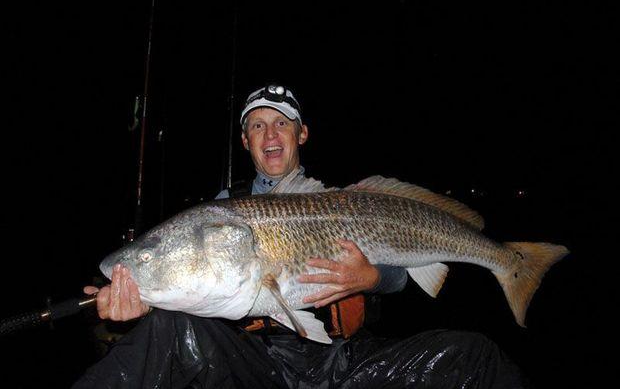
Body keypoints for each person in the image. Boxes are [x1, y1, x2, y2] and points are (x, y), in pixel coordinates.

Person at [75, 84, 530, 388]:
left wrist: (372, 278)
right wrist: (140, 295)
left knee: (474, 355)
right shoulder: (217, 212)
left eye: (281, 123)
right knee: (168, 330)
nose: (269, 134)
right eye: (257, 126)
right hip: (254, 363)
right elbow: (197, 281)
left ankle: (513, 265)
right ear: (245, 140)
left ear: (301, 133)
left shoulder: (340, 203)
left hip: (343, 359)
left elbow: (403, 276)